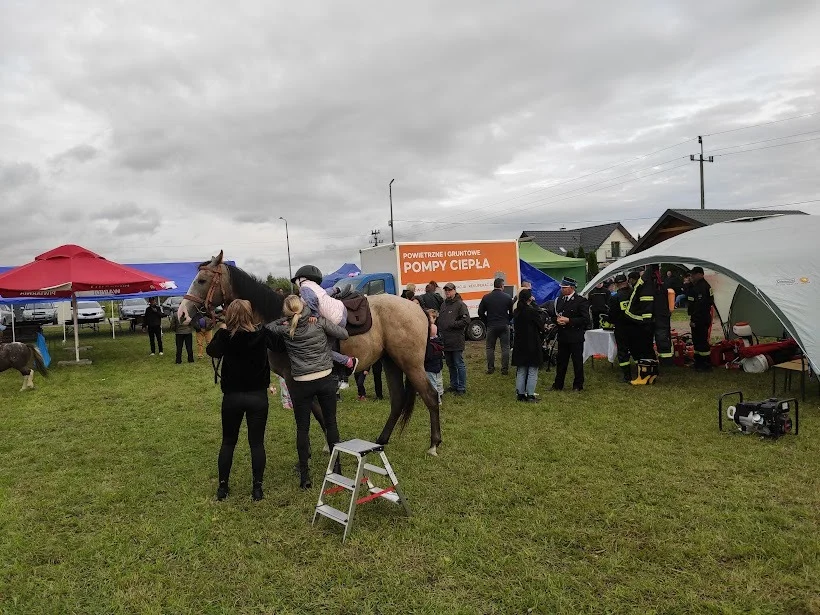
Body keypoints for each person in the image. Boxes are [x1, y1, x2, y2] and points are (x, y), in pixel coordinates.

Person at [267, 294, 349, 489]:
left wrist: (287, 319)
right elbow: (344, 334)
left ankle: (305, 477)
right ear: (303, 307)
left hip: (301, 382)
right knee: (331, 424)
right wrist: (313, 316)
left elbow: (268, 327)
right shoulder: (319, 322)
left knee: (302, 429)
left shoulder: (285, 328)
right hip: (325, 378)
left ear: (286, 312)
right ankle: (337, 468)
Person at [206, 299, 278, 501]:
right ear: (250, 314)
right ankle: (257, 488)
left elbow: (212, 351)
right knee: (256, 443)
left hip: (232, 397)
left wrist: (221, 329)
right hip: (257, 396)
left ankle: (223, 488)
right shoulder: (262, 334)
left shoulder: (224, 336)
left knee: (228, 442)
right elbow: (279, 345)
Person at [290, 264, 358, 376]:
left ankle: (348, 361)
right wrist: (336, 289)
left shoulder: (305, 288)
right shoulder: (316, 288)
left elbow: (312, 299)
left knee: (321, 348)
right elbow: (327, 292)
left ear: (300, 279)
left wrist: (315, 314)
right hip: (341, 309)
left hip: (336, 318)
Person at [550, 277, 590, 392]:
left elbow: (585, 319)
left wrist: (569, 320)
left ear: (571, 288)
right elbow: (554, 315)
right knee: (561, 362)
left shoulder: (580, 301)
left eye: (564, 288)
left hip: (575, 336)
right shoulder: (560, 300)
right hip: (563, 336)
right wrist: (556, 320)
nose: (562, 289)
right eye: (562, 287)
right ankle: (558, 384)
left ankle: (578, 385)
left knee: (577, 362)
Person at [512, 288, 545, 402]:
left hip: (520, 343)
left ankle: (520, 394)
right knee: (532, 370)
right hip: (532, 343)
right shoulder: (532, 311)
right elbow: (541, 325)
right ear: (529, 298)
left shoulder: (517, 311)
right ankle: (530, 395)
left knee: (521, 369)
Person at [437, 282, 470, 395]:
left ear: (454, 291)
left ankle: (461, 387)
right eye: (446, 290)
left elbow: (466, 320)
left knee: (458, 363)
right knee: (450, 364)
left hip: (456, 340)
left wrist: (452, 324)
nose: (447, 292)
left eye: (449, 290)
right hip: (445, 340)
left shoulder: (460, 305)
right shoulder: (443, 304)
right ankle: (453, 384)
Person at [478, 277, 514, 375]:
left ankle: (490, 368)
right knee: (505, 347)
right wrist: (508, 320)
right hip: (504, 325)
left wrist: (487, 321)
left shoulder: (486, 297)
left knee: (490, 348)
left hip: (491, 325)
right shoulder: (507, 297)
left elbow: (480, 312)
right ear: (502, 286)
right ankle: (505, 369)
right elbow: (512, 312)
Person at [687, 266, 714, 372]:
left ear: (700, 274)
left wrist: (694, 320)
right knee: (697, 341)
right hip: (701, 317)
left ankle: (705, 364)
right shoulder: (698, 286)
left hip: (700, 319)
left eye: (693, 275)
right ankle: (698, 363)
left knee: (701, 342)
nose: (692, 277)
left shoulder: (702, 287)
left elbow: (700, 306)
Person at [608, 274, 634, 382]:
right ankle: (642, 372)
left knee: (623, 351)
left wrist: (609, 321)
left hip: (621, 328)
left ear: (616, 285)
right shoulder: (634, 294)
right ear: (626, 281)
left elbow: (612, 315)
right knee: (637, 350)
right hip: (635, 326)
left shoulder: (615, 298)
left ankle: (627, 376)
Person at [424, 309, 445, 404]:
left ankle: (436, 400)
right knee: (438, 379)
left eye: (429, 317)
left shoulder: (431, 327)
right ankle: (440, 393)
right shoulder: (438, 339)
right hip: (437, 361)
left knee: (432, 382)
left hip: (430, 363)